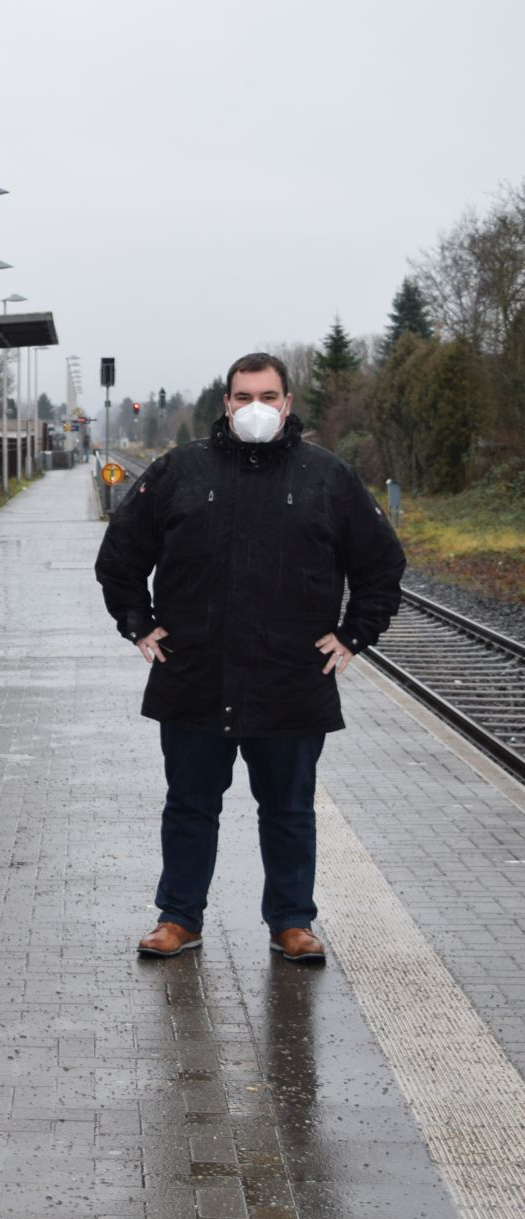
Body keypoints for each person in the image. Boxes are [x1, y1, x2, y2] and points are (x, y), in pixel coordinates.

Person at [95, 352, 405, 964]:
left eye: (268, 395)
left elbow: (381, 565)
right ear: (226, 404)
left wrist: (353, 634)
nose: (255, 408)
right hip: (194, 673)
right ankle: (178, 918)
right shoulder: (180, 471)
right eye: (243, 397)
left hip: (291, 678)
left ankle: (292, 921)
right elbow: (120, 555)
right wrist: (138, 622)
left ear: (288, 404)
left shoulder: (327, 477)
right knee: (189, 805)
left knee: (289, 810)